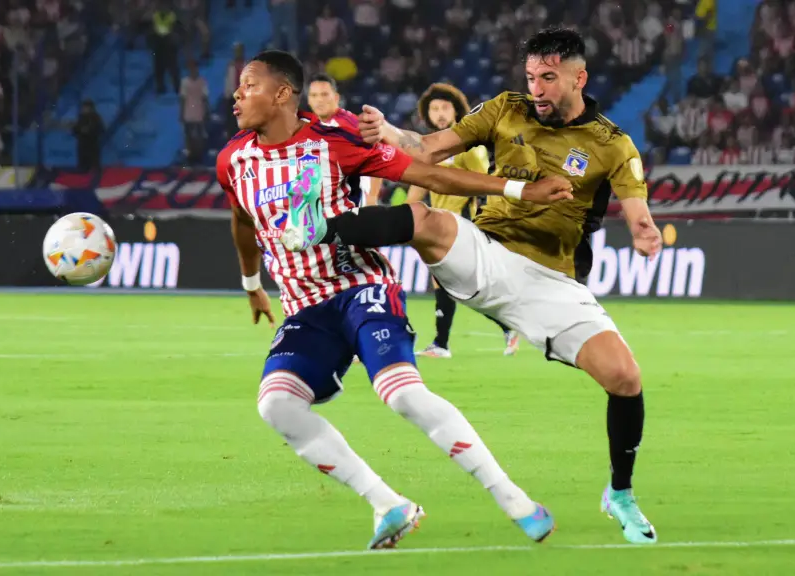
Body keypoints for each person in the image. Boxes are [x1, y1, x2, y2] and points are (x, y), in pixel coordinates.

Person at [280, 28, 662, 545]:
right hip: (485, 252)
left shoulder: (612, 144)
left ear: (579, 77)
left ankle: (619, 492)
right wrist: (389, 131)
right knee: (426, 218)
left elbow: (637, 211)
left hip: (551, 283)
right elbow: (428, 149)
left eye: (548, 78)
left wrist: (644, 230)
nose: (538, 88)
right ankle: (321, 227)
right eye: (531, 77)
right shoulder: (506, 108)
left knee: (625, 377)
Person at [216, 50, 572, 550]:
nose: (236, 95)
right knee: (276, 405)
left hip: (361, 288)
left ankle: (514, 499)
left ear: (281, 94)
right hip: (304, 308)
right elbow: (242, 220)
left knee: (402, 393)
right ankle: (389, 504)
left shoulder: (333, 144)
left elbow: (428, 176)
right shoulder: (233, 158)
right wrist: (252, 284)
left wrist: (519, 190)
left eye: (248, 85)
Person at [406, 82, 520, 358]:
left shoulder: (468, 147)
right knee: (450, 284)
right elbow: (417, 187)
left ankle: (444, 344)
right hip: (435, 225)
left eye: (445, 107)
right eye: (434, 109)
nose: (440, 113)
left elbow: (485, 184)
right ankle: (504, 325)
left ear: (457, 111)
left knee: (451, 284)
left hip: (462, 224)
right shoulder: (429, 148)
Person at [306, 73, 382, 207]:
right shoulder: (306, 130)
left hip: (352, 208)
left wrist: (372, 198)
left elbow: (378, 159)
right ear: (308, 100)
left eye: (324, 94)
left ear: (336, 97)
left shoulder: (353, 126)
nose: (319, 100)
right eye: (314, 95)